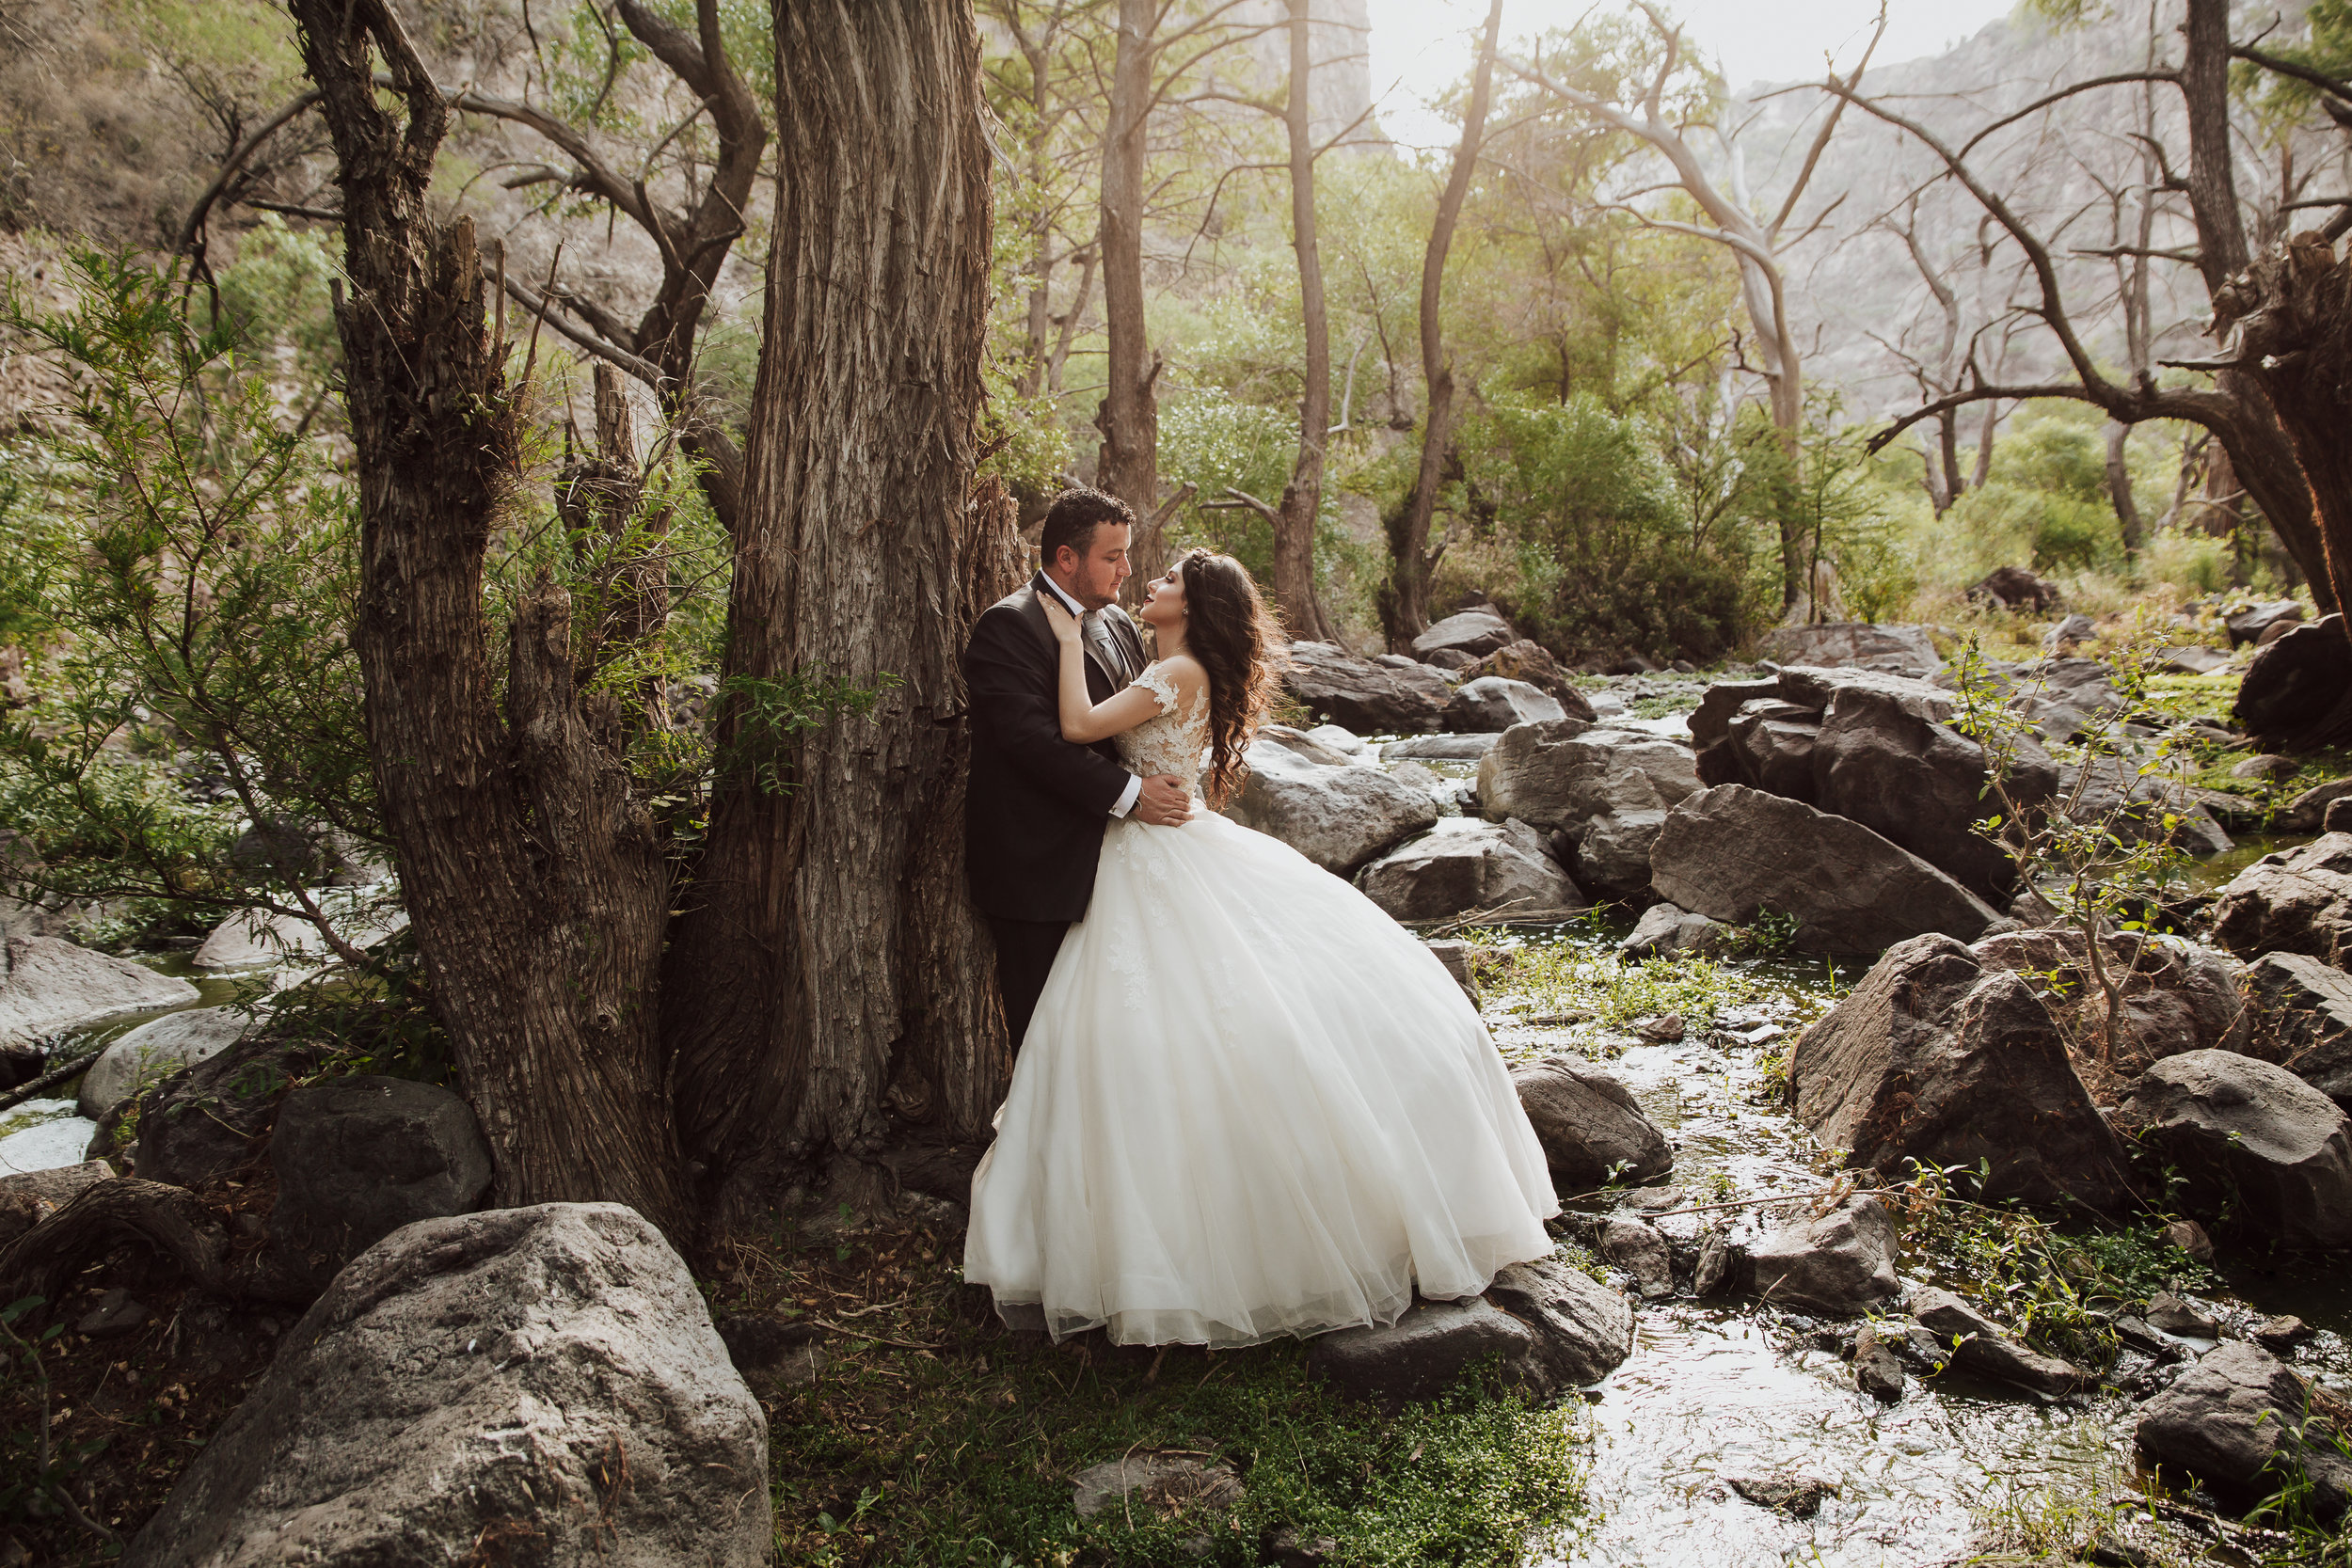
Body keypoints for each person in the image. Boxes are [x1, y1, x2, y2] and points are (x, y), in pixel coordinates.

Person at [963, 539, 1559, 1348]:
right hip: (1167, 845)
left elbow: (1073, 726)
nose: (1150, 581)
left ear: (1193, 605)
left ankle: (1167, 1244)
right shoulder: (1170, 662)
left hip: (1154, 852)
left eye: (1167, 578)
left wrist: (1067, 641)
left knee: (1163, 1026)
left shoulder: (1173, 674)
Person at [962, 487, 1197, 1051]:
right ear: (1067, 558)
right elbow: (1031, 742)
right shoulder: (1009, 625)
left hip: (1118, 862)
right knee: (1045, 1033)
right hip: (1037, 866)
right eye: (1112, 556)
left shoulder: (1115, 619)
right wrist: (1132, 791)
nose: (1128, 568)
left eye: (1127, 554)